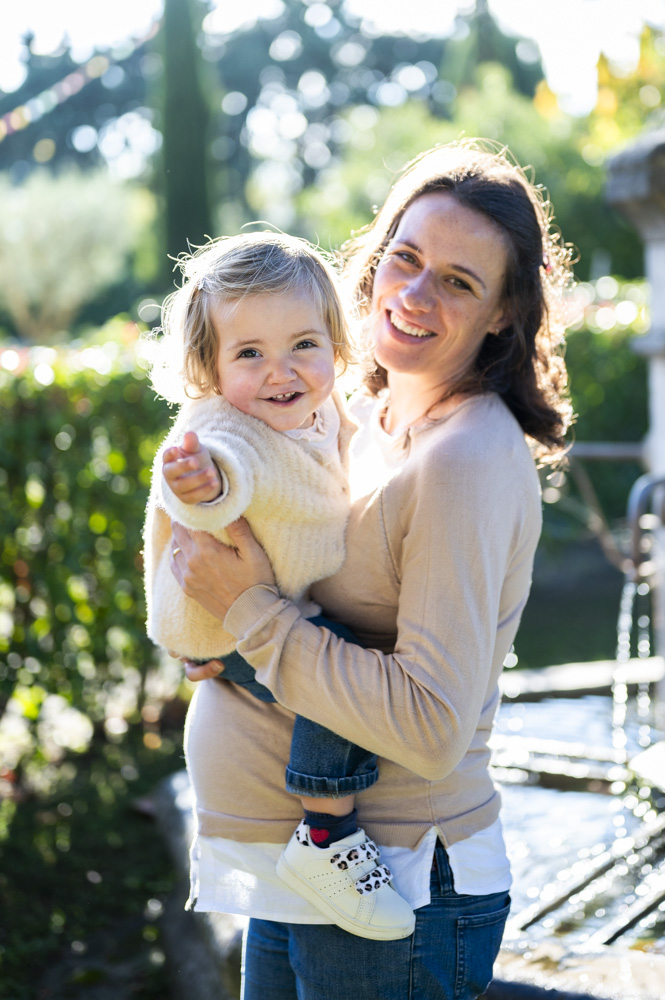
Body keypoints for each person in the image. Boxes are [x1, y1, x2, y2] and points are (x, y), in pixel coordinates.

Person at [170, 139, 574, 1000]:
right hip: (307, 869)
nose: (415, 294)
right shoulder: (358, 411)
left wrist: (247, 615)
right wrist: (218, 633)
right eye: (406, 257)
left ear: (504, 312)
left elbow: (430, 724)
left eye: (459, 282)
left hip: (398, 882)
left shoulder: (464, 458)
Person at [143, 231, 415, 941]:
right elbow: (216, 485)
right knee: (336, 679)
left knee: (330, 660)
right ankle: (327, 836)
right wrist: (197, 482)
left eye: (303, 344)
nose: (280, 371)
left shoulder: (323, 411)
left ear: (335, 343)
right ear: (208, 368)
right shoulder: (221, 427)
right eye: (249, 354)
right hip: (220, 618)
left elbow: (359, 453)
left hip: (267, 605)